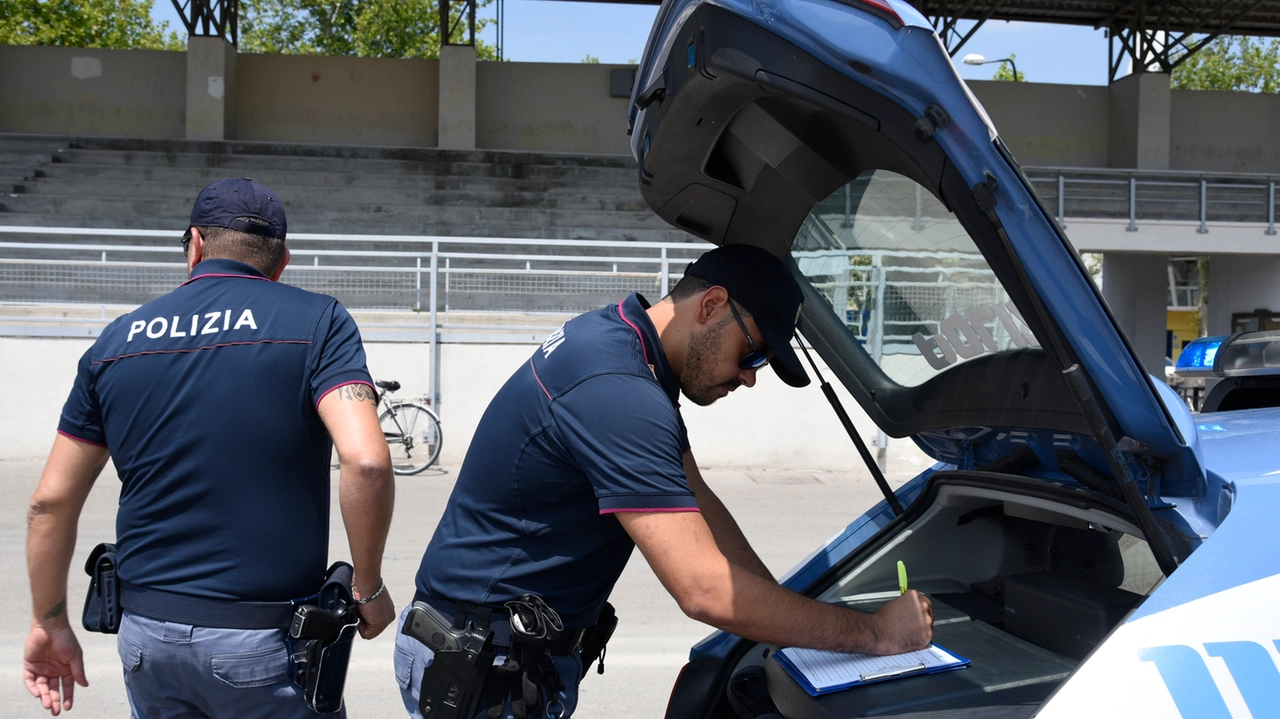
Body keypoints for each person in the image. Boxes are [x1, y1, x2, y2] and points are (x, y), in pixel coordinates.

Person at [393, 243, 933, 718]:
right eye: (753, 353)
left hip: (498, 650)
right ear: (711, 305)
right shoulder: (618, 389)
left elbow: (698, 500)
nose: (748, 377)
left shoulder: (625, 346)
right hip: (483, 666)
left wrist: (782, 614)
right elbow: (702, 589)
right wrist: (876, 635)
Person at [24, 178, 397, 718]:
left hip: (148, 640)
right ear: (282, 261)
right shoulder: (317, 322)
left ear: (195, 245)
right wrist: (367, 588)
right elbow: (365, 461)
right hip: (265, 642)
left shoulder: (116, 341)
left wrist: (49, 621)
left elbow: (49, 503)